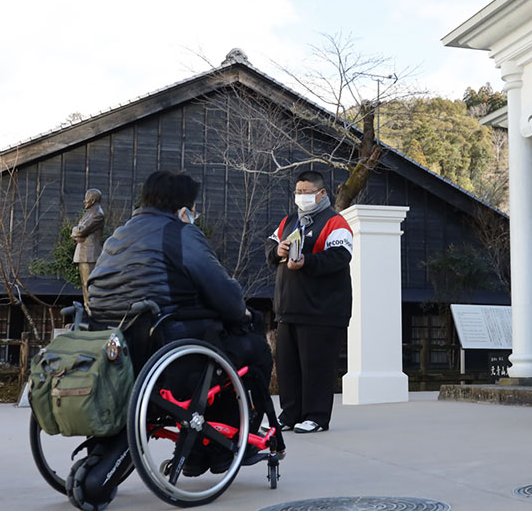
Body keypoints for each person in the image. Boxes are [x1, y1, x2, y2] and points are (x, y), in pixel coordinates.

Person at [87, 170, 275, 474]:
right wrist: (241, 313)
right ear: (183, 208)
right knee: (251, 348)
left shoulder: (116, 237)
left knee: (220, 347)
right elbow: (228, 298)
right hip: (172, 357)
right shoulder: (181, 233)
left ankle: (203, 449)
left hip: (118, 355)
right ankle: (221, 446)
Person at [265, 170, 353, 434]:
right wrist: (277, 250)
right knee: (287, 367)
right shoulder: (288, 222)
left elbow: (340, 256)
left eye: (307, 193)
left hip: (322, 311)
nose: (301, 197)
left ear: (322, 193)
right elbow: (268, 249)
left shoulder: (335, 222)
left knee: (317, 367)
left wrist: (308, 261)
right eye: (298, 192)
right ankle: (290, 414)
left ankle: (316, 416)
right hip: (288, 308)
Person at [71, 188, 104, 310]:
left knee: (89, 285)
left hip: (90, 254)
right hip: (83, 254)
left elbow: (81, 230)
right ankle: (88, 311)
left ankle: (92, 312)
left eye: (86, 198)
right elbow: (78, 232)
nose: (84, 201)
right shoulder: (89, 213)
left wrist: (76, 231)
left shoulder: (97, 214)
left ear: (93, 200)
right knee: (85, 286)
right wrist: (76, 232)